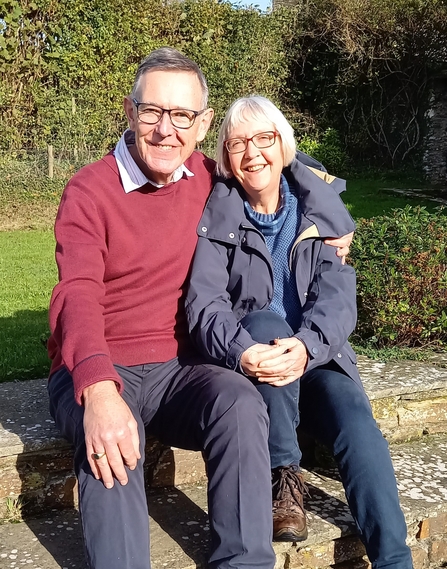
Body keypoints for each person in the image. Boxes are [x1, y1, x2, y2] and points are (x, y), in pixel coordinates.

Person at [46, 48, 352, 569]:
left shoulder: (210, 177)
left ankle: (244, 561)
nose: (166, 130)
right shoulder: (88, 191)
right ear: (129, 112)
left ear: (203, 123)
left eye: (183, 115)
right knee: (115, 448)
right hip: (98, 365)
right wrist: (97, 391)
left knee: (239, 402)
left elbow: (280, 166)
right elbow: (75, 291)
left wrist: (333, 221)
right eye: (152, 112)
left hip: (178, 370)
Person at [186, 96, 413, 568]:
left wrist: (307, 347)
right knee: (267, 323)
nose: (253, 153)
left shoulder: (319, 213)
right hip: (257, 364)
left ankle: (395, 559)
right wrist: (241, 350)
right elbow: (203, 301)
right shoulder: (220, 214)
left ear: (283, 143)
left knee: (359, 426)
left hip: (316, 356)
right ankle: (282, 476)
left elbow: (337, 299)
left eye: (264, 138)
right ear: (227, 156)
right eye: (238, 143)